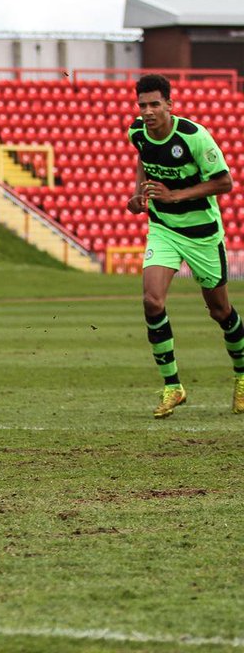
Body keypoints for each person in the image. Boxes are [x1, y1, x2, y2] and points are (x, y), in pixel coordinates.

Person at [126, 73, 244, 418]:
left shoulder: (194, 137)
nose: (148, 111)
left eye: (154, 104)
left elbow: (225, 182)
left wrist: (176, 195)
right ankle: (172, 386)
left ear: (169, 105)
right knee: (151, 300)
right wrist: (139, 193)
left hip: (202, 234)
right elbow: (143, 157)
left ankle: (242, 376)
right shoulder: (137, 131)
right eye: (142, 105)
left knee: (220, 311)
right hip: (163, 229)